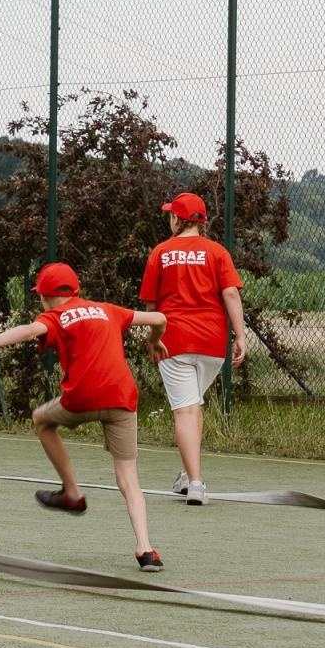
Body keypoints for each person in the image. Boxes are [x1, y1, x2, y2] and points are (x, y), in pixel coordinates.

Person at [0, 262, 169, 572]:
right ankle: (145, 549)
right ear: (76, 290)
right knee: (128, 478)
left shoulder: (55, 316)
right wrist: (154, 340)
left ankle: (72, 493)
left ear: (46, 297)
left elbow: (28, 331)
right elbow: (159, 318)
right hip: (122, 398)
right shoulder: (107, 309)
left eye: (40, 297)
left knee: (41, 419)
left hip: (82, 399)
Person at [139, 191, 246, 506]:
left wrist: (153, 338)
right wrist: (240, 336)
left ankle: (196, 483)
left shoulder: (161, 252)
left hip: (174, 341)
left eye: (171, 214)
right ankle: (187, 475)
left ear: (177, 219)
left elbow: (151, 305)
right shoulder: (217, 252)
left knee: (185, 410)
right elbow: (230, 294)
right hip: (212, 343)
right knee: (193, 405)